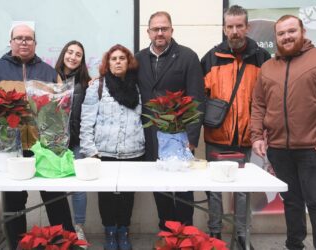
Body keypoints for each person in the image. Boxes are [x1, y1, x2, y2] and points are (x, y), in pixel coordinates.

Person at [0, 23, 73, 250]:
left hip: (45, 147)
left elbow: (61, 110)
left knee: (56, 199)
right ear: (10, 42)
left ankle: (67, 245)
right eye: (19, 38)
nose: (24, 42)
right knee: (13, 203)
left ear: (35, 43)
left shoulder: (49, 72)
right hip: (11, 148)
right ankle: (17, 245)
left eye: (28, 39)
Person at [251, 14, 316, 250]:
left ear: (302, 31)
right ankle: (294, 244)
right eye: (281, 33)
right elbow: (259, 104)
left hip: (313, 147)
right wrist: (256, 136)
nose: (286, 36)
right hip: (279, 149)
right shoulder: (267, 67)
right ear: (276, 38)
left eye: (291, 31)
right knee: (291, 200)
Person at [201, 5, 270, 249]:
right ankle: (215, 236)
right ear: (224, 28)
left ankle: (242, 237)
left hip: (248, 138)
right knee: (214, 191)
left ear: (247, 27)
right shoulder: (210, 58)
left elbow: (267, 99)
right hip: (216, 136)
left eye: (239, 26)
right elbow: (201, 97)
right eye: (230, 26)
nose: (235, 31)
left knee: (243, 192)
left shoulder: (262, 58)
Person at [135, 11, 205, 231]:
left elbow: (197, 99)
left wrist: (192, 138)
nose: (159, 33)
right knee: (160, 186)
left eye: (164, 28)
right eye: (155, 29)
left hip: (180, 135)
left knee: (183, 188)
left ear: (171, 30)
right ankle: (166, 232)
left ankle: (186, 233)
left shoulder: (187, 56)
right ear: (148, 32)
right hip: (151, 136)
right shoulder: (138, 59)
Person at [80, 44, 144, 250]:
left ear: (129, 62)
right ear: (107, 63)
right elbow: (87, 120)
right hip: (104, 152)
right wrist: (90, 151)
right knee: (106, 196)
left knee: (127, 196)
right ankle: (109, 233)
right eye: (113, 58)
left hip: (133, 151)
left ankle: (123, 233)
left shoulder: (138, 86)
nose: (117, 62)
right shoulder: (97, 86)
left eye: (122, 58)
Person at [54, 40, 91, 246]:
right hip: (55, 143)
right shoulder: (50, 77)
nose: (73, 57)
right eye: (70, 52)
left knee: (79, 187)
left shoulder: (86, 82)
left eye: (78, 54)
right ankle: (60, 230)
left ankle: (78, 228)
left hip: (77, 141)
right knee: (55, 186)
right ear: (63, 53)